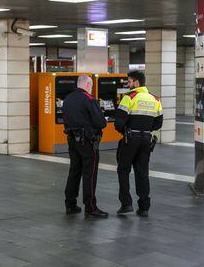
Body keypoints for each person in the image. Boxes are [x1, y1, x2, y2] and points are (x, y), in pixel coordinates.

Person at [115, 71, 163, 217]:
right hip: (146, 140)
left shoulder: (129, 98)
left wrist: (126, 130)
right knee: (142, 172)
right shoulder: (156, 99)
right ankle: (144, 206)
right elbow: (158, 124)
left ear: (136, 82)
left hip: (130, 139)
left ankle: (126, 204)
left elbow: (118, 123)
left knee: (123, 170)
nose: (127, 84)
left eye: (129, 82)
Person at [62, 75, 108, 218]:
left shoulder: (68, 99)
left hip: (72, 140)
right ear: (88, 85)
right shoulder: (88, 99)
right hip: (88, 142)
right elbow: (101, 122)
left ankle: (70, 204)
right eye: (91, 86)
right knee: (90, 173)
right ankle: (90, 206)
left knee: (74, 171)